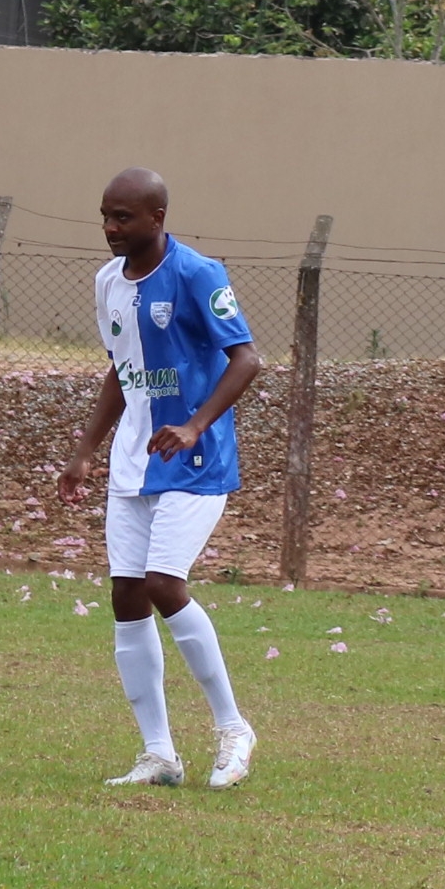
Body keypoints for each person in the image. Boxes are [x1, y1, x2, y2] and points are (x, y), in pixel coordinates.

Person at [58, 167, 262, 789]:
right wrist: (86, 450)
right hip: (133, 460)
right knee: (127, 596)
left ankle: (233, 728)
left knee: (163, 584)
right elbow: (121, 370)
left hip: (195, 461)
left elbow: (247, 359)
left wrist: (196, 426)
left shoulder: (199, 274)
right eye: (105, 216)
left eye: (122, 217)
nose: (110, 228)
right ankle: (159, 754)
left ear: (157, 218)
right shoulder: (107, 283)